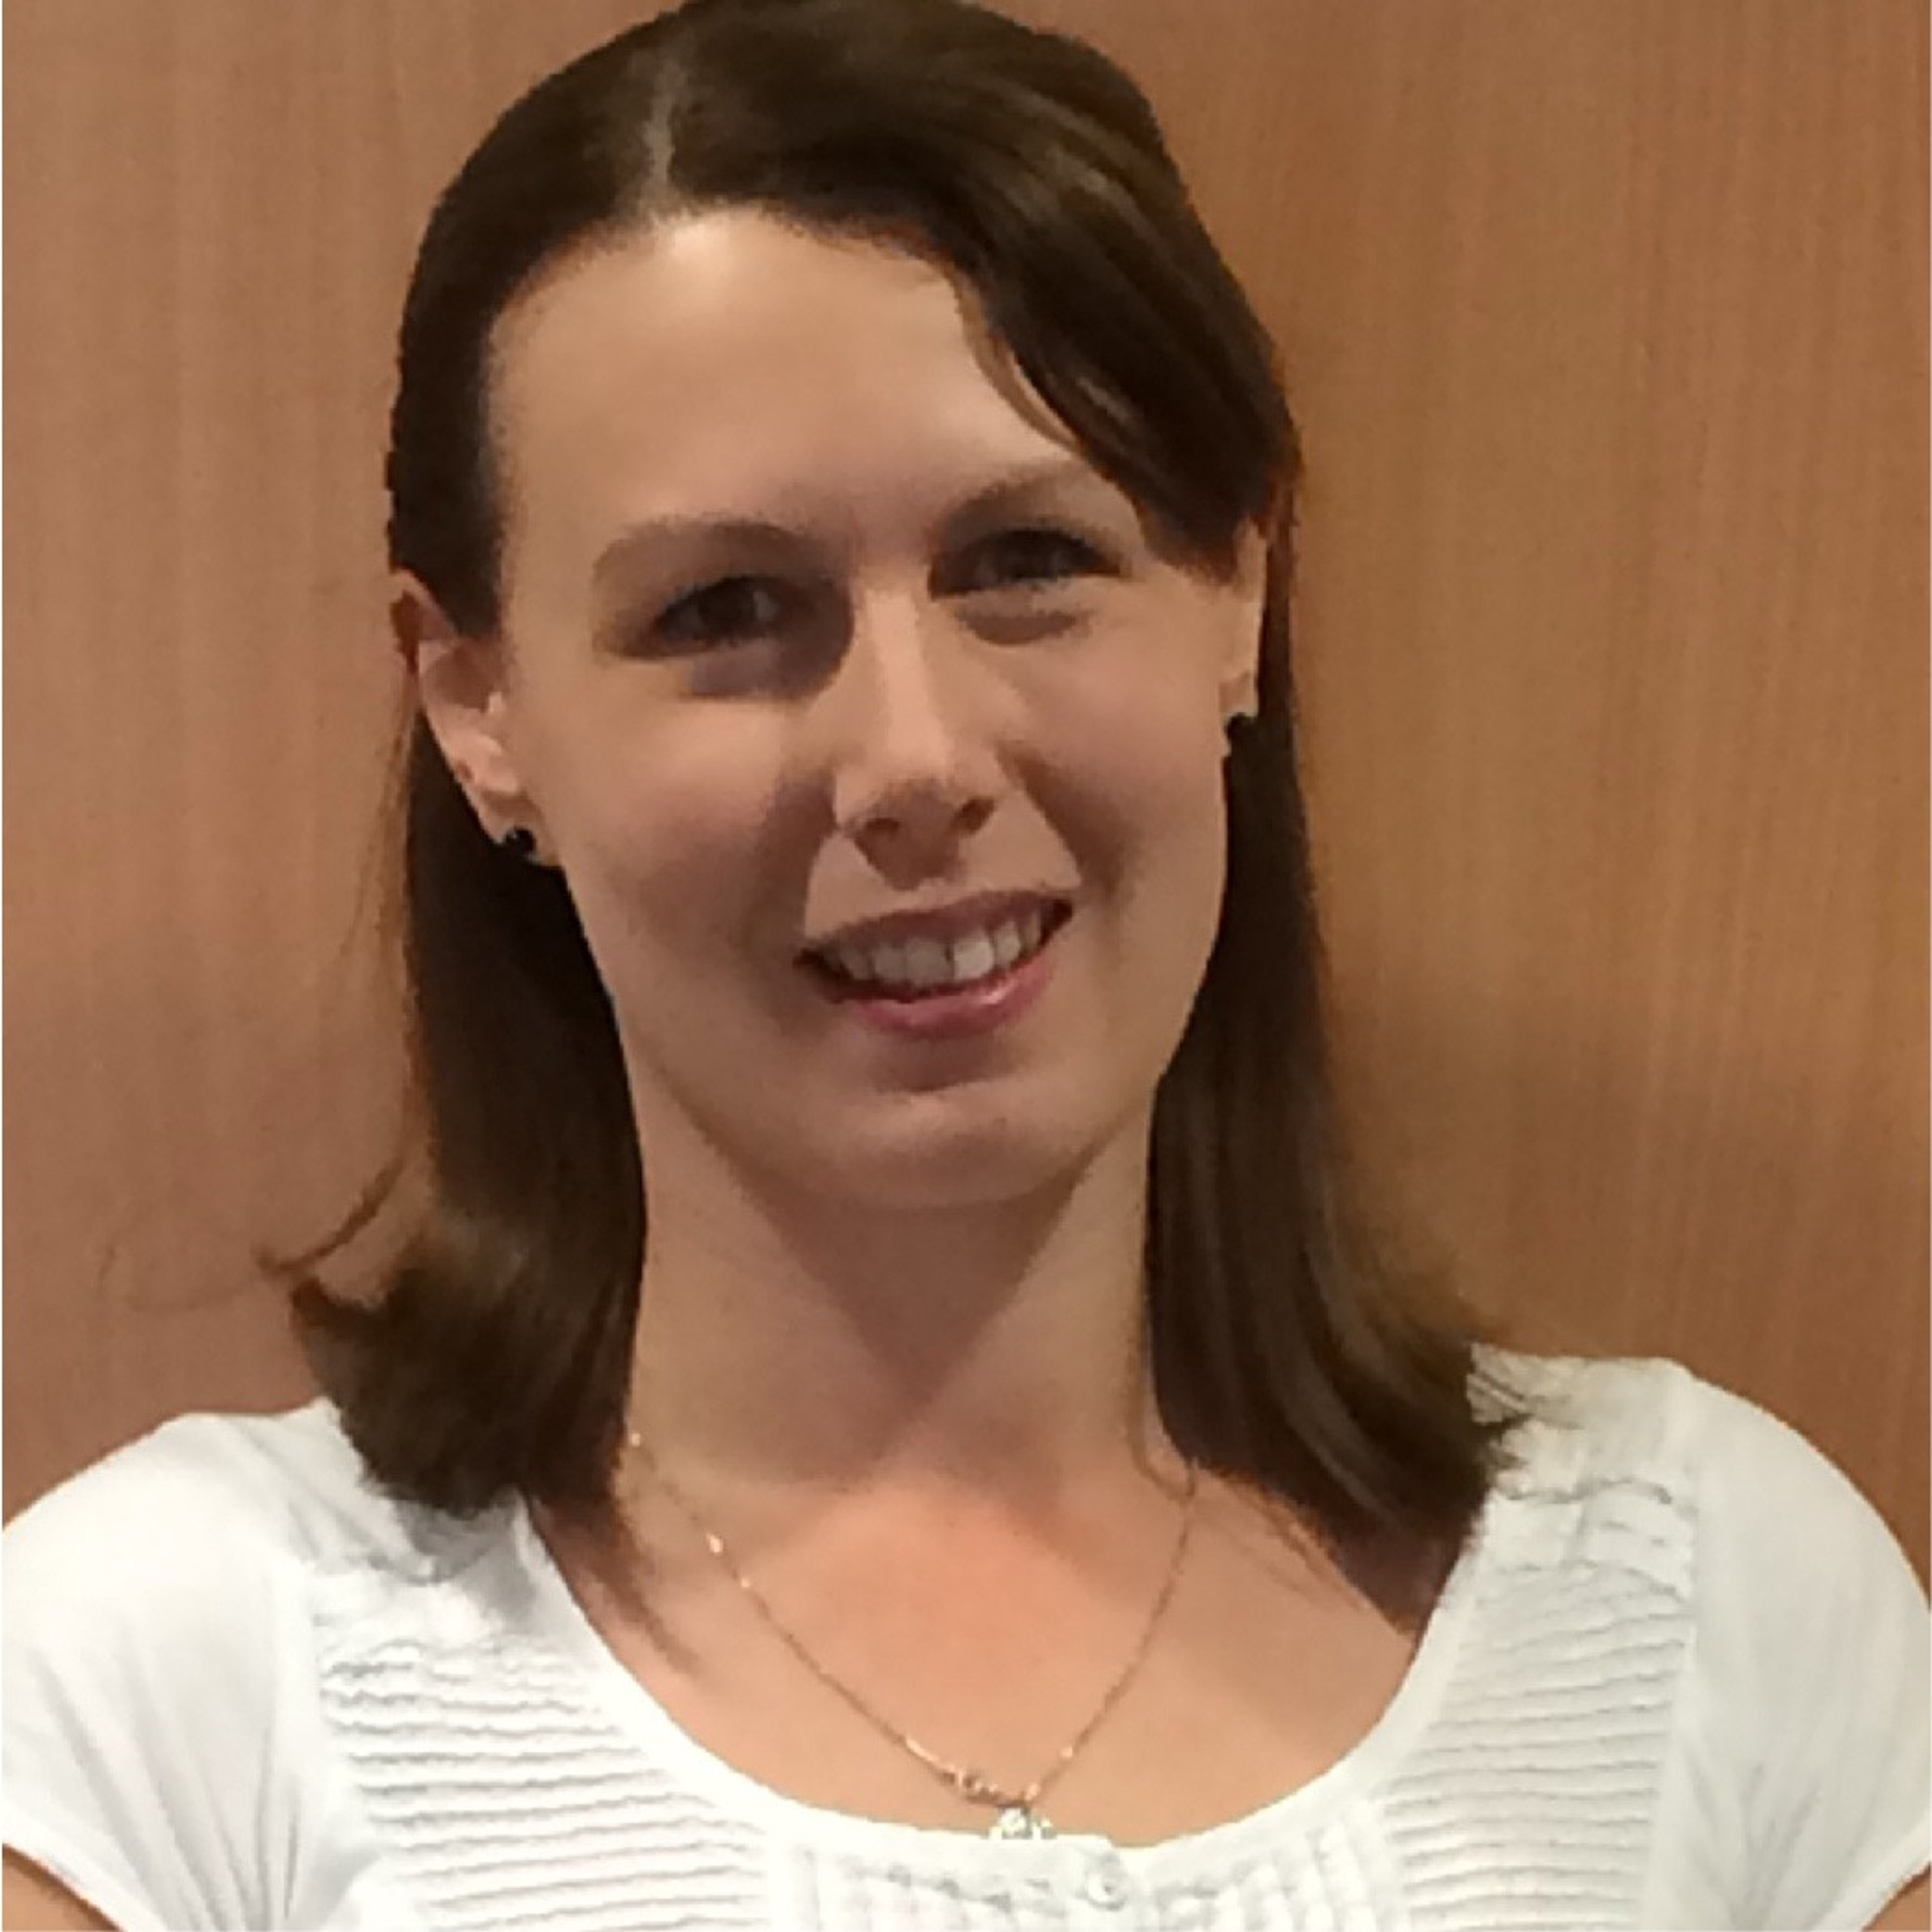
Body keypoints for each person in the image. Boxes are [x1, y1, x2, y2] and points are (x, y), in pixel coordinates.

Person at [5, 0, 1927, 1925]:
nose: (915, 760)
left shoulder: (1721, 1612)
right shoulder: (154, 1699)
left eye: (1027, 559)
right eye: (724, 608)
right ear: (477, 707)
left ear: (1238, 596)